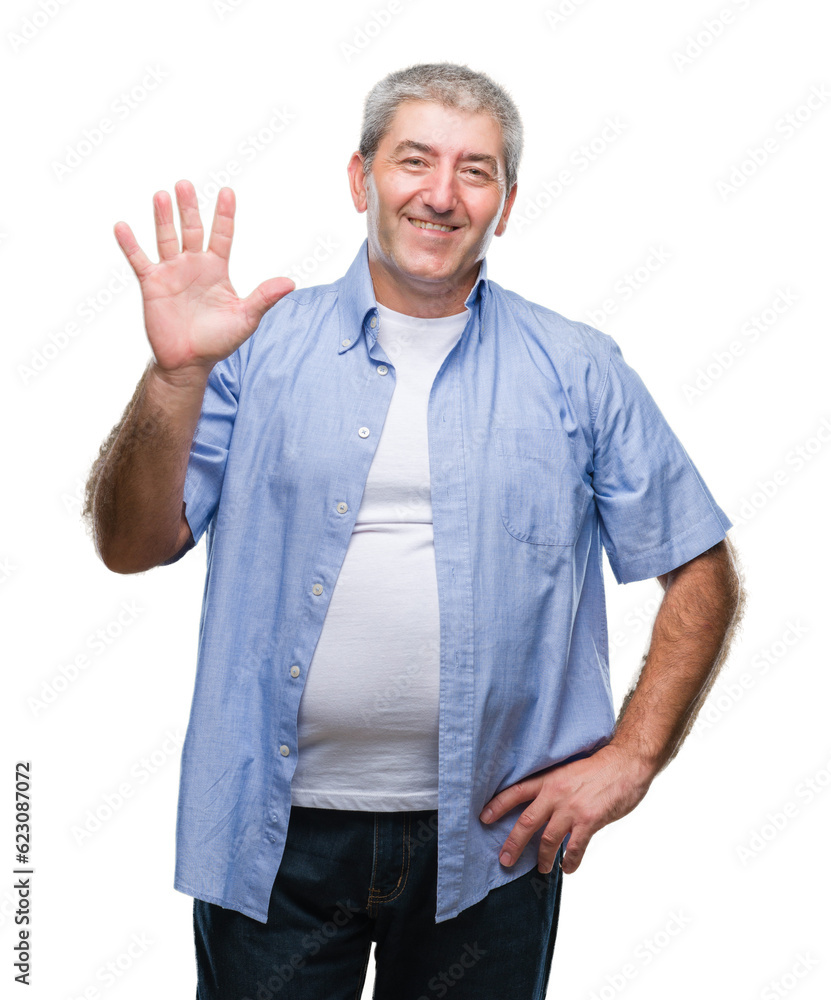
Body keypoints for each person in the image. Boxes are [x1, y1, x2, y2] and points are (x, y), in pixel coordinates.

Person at [83, 63, 743, 1000]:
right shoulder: (254, 348)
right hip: (269, 839)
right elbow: (129, 545)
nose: (441, 194)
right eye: (414, 161)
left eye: (475, 171)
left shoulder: (578, 368)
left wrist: (632, 759)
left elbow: (700, 569)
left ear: (505, 203)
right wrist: (175, 378)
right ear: (361, 178)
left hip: (492, 846)